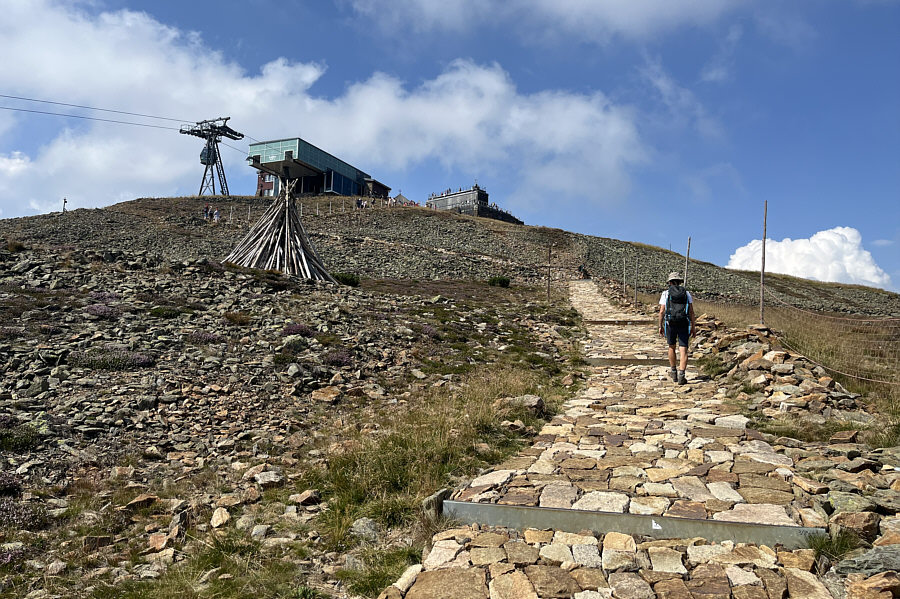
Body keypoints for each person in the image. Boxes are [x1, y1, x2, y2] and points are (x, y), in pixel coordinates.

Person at [658, 271, 695, 385]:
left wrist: (660, 326)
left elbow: (661, 311)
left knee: (671, 347)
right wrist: (693, 326)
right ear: (679, 282)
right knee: (683, 349)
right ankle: (682, 375)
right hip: (683, 322)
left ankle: (673, 371)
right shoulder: (686, 293)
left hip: (670, 323)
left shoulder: (665, 293)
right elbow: (691, 312)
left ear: (669, 282)